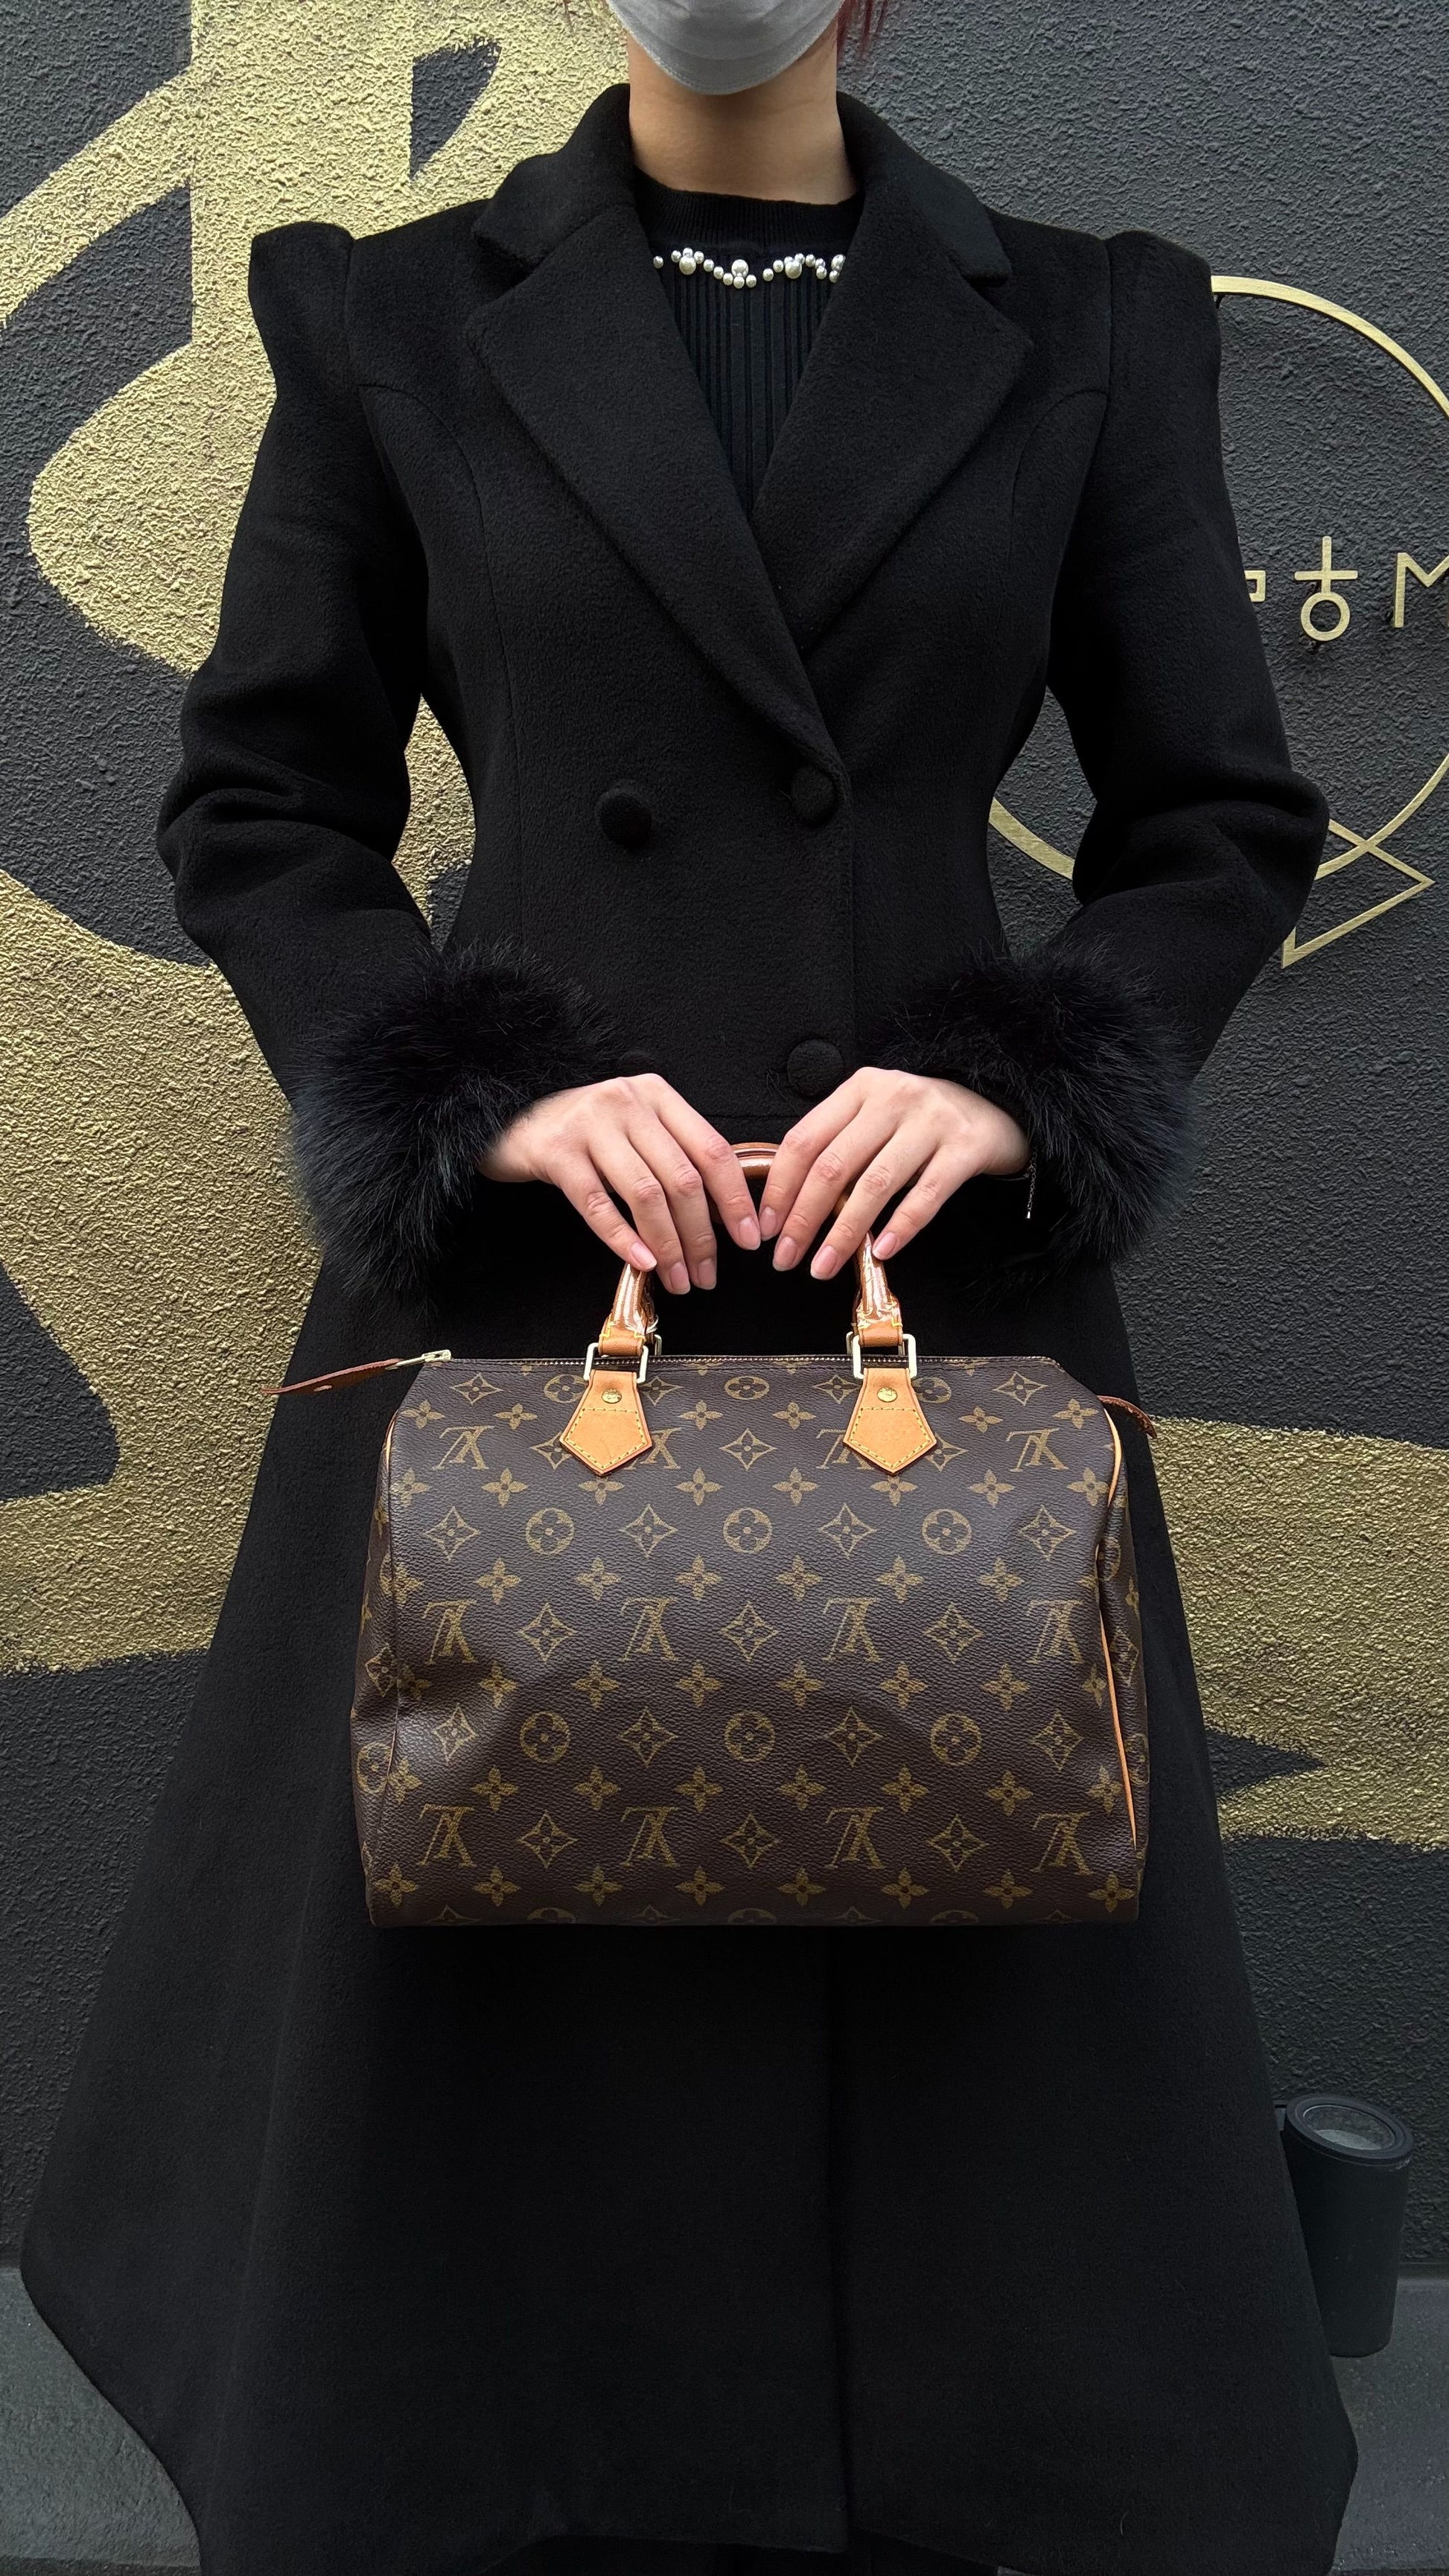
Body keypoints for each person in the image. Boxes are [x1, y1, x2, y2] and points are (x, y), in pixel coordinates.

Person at [22, 1, 1358, 2572]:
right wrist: (481, 1084)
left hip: (918, 1275)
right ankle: (486, 2445)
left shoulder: (1090, 320)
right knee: (482, 1871)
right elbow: (260, 802)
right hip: (542, 1276)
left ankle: (968, 2452)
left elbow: (1215, 816)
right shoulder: (393, 313)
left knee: (971, 1838)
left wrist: (1017, 1080)